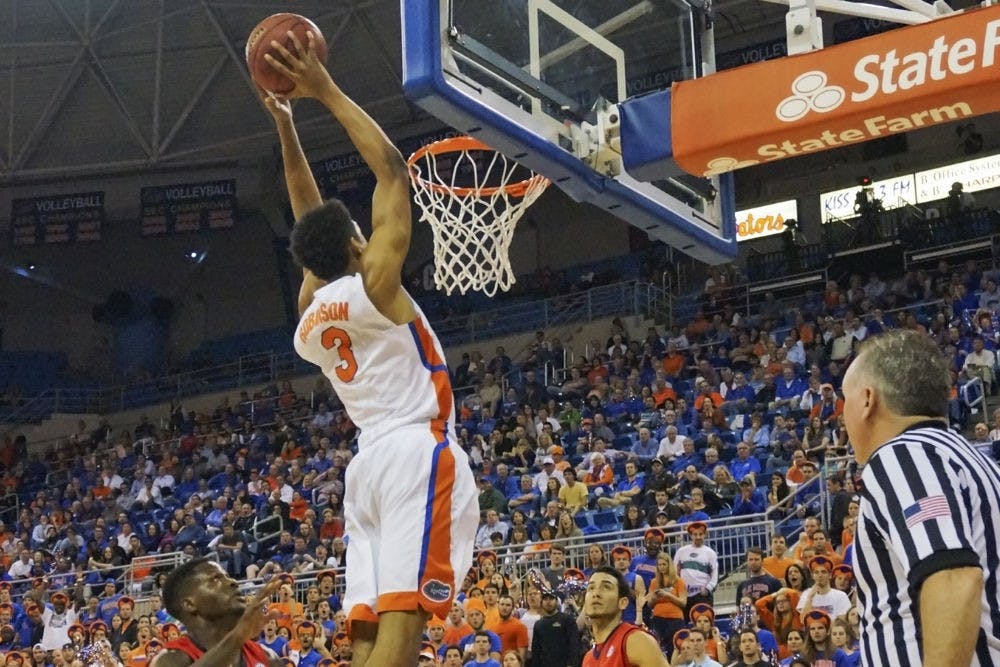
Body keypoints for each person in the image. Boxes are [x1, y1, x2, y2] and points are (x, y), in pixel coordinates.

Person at [266, 30, 478, 667]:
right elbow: (391, 167)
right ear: (358, 247)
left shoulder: (308, 321)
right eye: (361, 231)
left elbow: (309, 218)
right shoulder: (377, 285)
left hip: (365, 470)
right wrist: (321, 91)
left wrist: (285, 125)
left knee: (365, 630)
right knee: (405, 620)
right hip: (417, 450)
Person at [842, 329, 1000, 666]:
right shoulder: (980, 463)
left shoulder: (903, 456)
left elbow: (953, 576)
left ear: (868, 400)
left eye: (846, 400)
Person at [149, 558, 284, 667]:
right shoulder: (169, 659)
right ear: (189, 604)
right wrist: (237, 636)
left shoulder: (267, 657)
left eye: (227, 576)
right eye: (216, 579)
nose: (233, 582)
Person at [581, 567, 667, 666]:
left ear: (622, 603)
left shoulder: (635, 640)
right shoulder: (588, 658)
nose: (596, 594)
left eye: (606, 587)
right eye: (591, 588)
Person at [674, 522, 718, 613]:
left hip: (702, 595)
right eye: (695, 534)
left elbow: (714, 574)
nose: (698, 537)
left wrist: (708, 589)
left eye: (700, 534)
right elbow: (674, 572)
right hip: (684, 595)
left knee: (704, 623)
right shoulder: (681, 551)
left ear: (705, 535)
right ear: (690, 536)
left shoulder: (711, 553)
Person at [530, 590, 581, 667]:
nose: (548, 602)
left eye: (551, 599)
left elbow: (574, 644)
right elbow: (536, 651)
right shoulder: (538, 624)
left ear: (556, 601)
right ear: (541, 602)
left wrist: (572, 664)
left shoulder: (567, 619)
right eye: (545, 599)